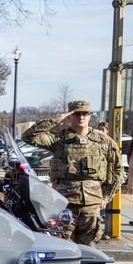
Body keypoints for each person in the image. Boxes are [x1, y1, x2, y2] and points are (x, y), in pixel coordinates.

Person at [20, 100, 122, 245]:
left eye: (85, 114)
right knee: (64, 247)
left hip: (92, 205)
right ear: (69, 116)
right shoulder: (58, 139)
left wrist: (106, 196)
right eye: (76, 114)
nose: (81, 117)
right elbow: (28, 137)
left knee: (89, 249)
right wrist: (54, 120)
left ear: (89, 116)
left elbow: (118, 170)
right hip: (64, 203)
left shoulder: (103, 141)